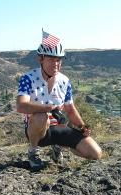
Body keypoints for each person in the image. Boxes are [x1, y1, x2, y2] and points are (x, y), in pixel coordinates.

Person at [16, 31, 102, 171]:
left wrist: (82, 126)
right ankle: (33, 152)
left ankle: (58, 148)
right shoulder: (28, 78)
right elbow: (21, 106)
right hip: (38, 129)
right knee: (40, 116)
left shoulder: (65, 81)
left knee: (95, 153)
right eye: (51, 60)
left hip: (59, 128)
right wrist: (48, 108)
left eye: (58, 60)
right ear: (41, 59)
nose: (55, 64)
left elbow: (70, 109)